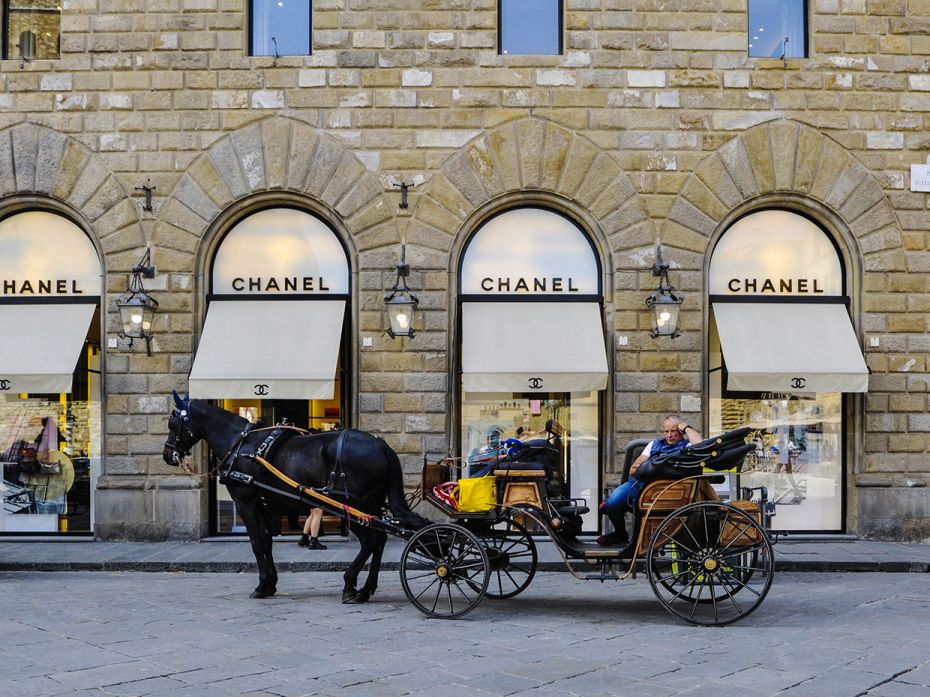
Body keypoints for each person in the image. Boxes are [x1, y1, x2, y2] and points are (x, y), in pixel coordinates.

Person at [598, 414, 702, 546]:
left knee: (620, 503)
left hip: (665, 487)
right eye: (666, 431)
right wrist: (659, 468)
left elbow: (700, 445)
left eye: (673, 431)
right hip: (640, 482)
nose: (669, 435)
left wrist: (687, 427)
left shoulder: (686, 445)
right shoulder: (654, 444)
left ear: (681, 431)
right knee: (612, 502)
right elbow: (634, 469)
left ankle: (618, 505)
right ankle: (620, 533)